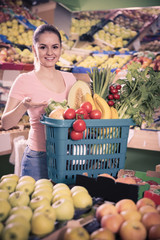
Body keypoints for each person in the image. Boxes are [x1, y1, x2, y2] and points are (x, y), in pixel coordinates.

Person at [1, 24, 77, 180]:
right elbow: (6, 124)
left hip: (66, 155)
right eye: (43, 47)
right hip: (37, 157)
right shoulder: (24, 80)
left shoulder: (71, 79)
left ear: (61, 49)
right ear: (34, 49)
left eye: (55, 47)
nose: (50, 52)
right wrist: (24, 106)